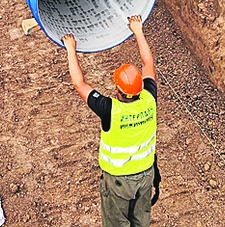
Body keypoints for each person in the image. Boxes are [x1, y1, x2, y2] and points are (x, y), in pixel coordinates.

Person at [63, 16, 159, 227]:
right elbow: (148, 63)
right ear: (139, 88)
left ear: (117, 89)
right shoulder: (149, 100)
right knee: (140, 222)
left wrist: (71, 48)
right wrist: (138, 30)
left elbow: (79, 84)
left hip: (119, 182)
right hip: (145, 177)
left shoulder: (110, 110)